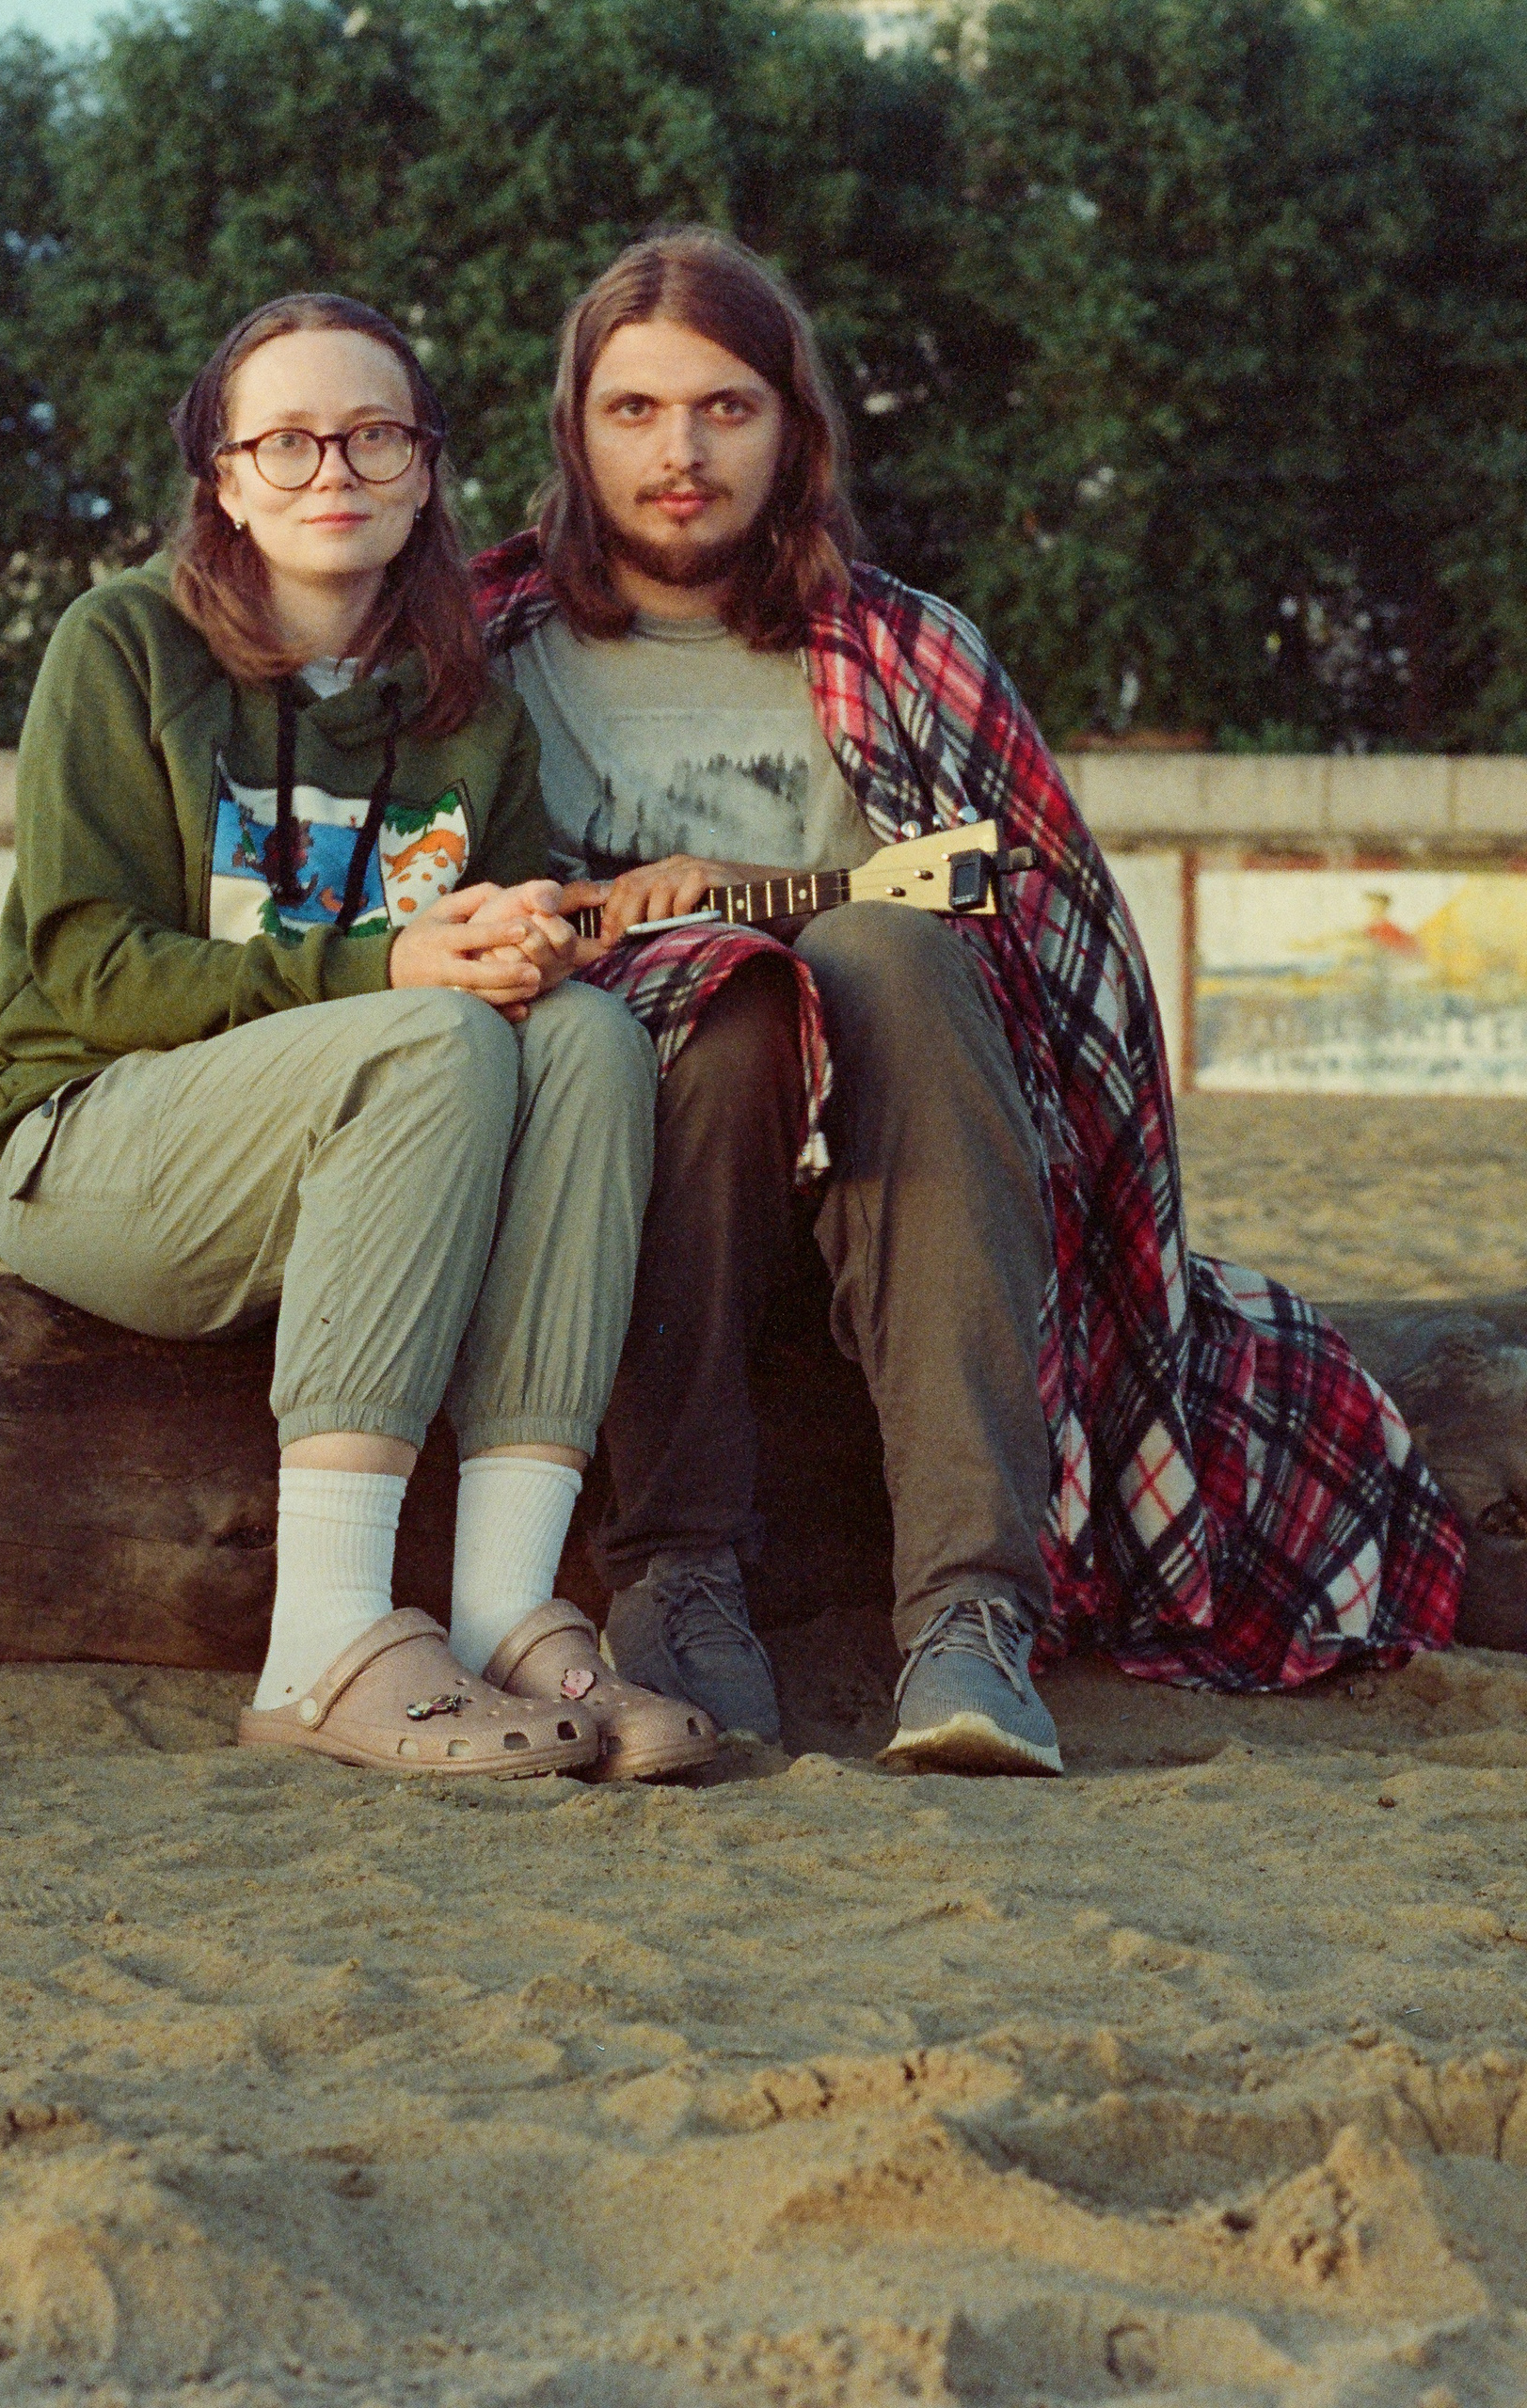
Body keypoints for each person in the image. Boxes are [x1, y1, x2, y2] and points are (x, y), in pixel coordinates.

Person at [474, 230, 1464, 1775]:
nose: (680, 451)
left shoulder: (907, 651)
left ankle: (972, 1617)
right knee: (723, 1009)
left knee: (895, 948)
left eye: (726, 408)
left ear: (793, 427)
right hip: (637, 1167)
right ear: (574, 429)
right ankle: (676, 1581)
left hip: (908, 1166)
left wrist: (744, 891)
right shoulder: (481, 656)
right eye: (636, 410)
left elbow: (1028, 911)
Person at [0, 292, 714, 1783]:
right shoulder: (122, 644)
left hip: (370, 1164)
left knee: (583, 1043)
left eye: (375, 437)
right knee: (432, 1036)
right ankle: (320, 1638)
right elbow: (86, 967)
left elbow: (496, 972)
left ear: (427, 470)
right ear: (227, 479)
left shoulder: (466, 704)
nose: (335, 473)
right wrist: (393, 964)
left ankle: (504, 1604)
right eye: (289, 442)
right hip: (99, 1145)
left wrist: (548, 930)